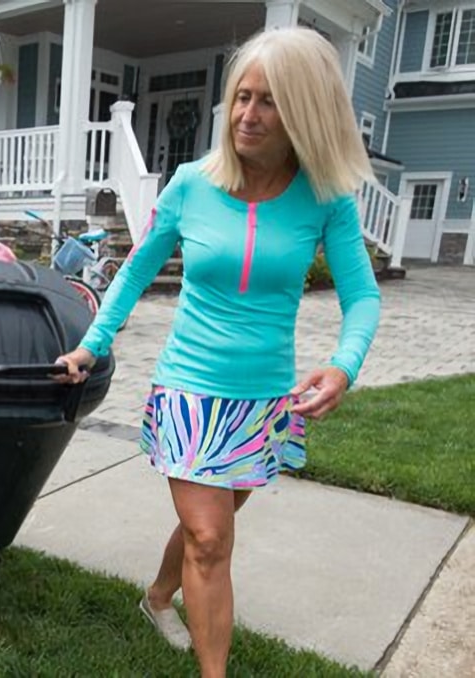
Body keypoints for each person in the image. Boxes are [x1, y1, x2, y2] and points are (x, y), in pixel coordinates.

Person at [54, 27, 381, 677]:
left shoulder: (326, 199)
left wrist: (344, 365)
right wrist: (91, 345)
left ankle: (156, 597)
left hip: (263, 401)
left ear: (305, 113)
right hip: (189, 388)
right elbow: (134, 272)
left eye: (269, 102)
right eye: (241, 97)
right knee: (210, 538)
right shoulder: (191, 184)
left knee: (215, 522)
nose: (247, 115)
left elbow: (363, 298)